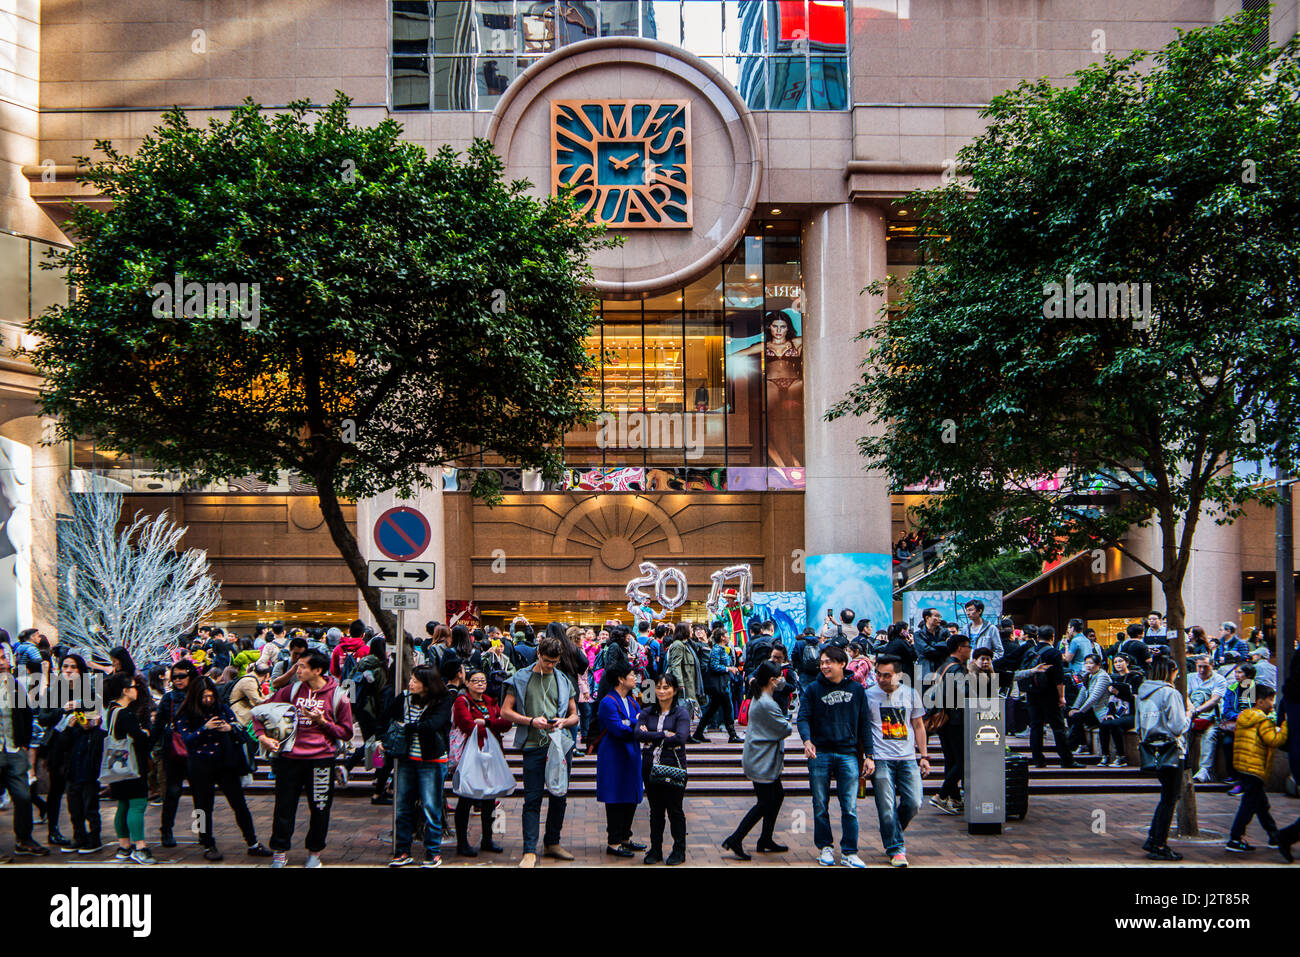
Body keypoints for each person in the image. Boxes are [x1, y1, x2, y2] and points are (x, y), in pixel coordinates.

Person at [253, 650, 354, 868]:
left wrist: (323, 722)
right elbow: (260, 711)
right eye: (297, 666)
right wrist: (263, 737)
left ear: (317, 670)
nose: (297, 671)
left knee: (320, 807)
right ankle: (279, 852)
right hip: (289, 759)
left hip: (321, 761)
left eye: (302, 667)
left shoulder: (338, 696)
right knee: (284, 806)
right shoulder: (292, 691)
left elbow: (346, 733)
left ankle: (314, 854)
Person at [499, 635, 579, 868]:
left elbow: (575, 715)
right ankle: (529, 849)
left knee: (559, 795)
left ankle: (552, 841)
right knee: (532, 798)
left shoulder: (564, 680)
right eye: (546, 661)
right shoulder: (520, 678)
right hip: (533, 745)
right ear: (538, 655)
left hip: (559, 744)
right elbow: (505, 711)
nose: (550, 666)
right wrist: (531, 721)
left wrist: (564, 722)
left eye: (554, 662)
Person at [175, 676, 270, 860]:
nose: (208, 701)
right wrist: (205, 728)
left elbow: (239, 728)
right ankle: (206, 843)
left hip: (225, 763)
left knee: (239, 804)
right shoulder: (186, 712)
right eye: (204, 697)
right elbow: (187, 740)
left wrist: (228, 728)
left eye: (211, 696)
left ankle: (252, 842)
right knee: (202, 807)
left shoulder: (222, 708)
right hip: (200, 765)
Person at [797, 645, 873, 868]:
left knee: (849, 806)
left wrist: (869, 755)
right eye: (822, 662)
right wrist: (807, 740)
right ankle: (825, 848)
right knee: (820, 804)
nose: (824, 666)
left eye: (829, 661)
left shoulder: (857, 691)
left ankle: (850, 851)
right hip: (820, 753)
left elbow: (864, 725)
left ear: (842, 663)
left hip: (848, 753)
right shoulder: (813, 689)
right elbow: (803, 717)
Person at [383, 664, 453, 868]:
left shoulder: (443, 700)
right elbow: (389, 719)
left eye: (415, 680)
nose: (410, 683)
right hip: (406, 758)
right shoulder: (403, 698)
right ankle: (402, 851)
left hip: (431, 760)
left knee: (431, 806)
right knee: (403, 806)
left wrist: (408, 727)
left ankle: (433, 853)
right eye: (411, 679)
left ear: (427, 685)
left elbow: (433, 725)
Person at [723, 661, 793, 860]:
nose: (782, 680)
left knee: (777, 796)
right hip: (761, 759)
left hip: (763, 757)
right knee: (765, 802)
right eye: (779, 677)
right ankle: (735, 838)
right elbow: (785, 728)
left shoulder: (761, 696)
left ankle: (765, 839)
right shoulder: (766, 703)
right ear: (772, 680)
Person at [867, 654, 929, 867]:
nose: (882, 679)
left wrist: (924, 756)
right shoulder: (868, 695)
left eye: (887, 675)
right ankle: (896, 848)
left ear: (899, 675)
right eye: (878, 674)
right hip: (881, 758)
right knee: (886, 806)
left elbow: (919, 726)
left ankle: (891, 830)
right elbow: (864, 730)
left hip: (907, 758)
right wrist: (867, 757)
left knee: (914, 802)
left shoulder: (910, 694)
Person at [450, 667, 510, 856]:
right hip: (471, 755)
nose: (480, 684)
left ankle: (487, 839)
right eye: (475, 680)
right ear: (467, 683)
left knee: (489, 798)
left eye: (482, 681)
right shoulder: (462, 701)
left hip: (490, 755)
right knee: (467, 798)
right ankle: (462, 843)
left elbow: (506, 723)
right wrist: (491, 726)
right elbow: (468, 725)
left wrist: (488, 723)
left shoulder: (491, 702)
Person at [1137, 655, 1190, 861]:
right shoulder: (1170, 692)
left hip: (1152, 749)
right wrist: (1189, 716)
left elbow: (1139, 724)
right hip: (1171, 749)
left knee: (1166, 797)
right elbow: (1178, 726)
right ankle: (1159, 843)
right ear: (1170, 671)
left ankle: (1154, 838)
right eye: (1176, 672)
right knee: (1170, 798)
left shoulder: (1143, 692)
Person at [634, 674, 691, 865]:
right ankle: (655, 849)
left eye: (666, 687)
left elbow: (681, 737)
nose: (661, 691)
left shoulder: (681, 713)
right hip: (650, 766)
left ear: (674, 690)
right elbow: (637, 734)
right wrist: (664, 734)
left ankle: (679, 850)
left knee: (675, 810)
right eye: (658, 687)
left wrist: (650, 736)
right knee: (656, 810)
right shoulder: (647, 711)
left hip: (673, 766)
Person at [1225, 683, 1287, 853]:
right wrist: (1285, 726)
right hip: (1255, 767)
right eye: (1270, 700)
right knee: (1249, 804)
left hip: (1243, 766)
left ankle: (1274, 836)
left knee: (1261, 804)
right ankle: (1235, 838)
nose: (1272, 703)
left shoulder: (1245, 716)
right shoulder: (1262, 720)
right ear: (1260, 701)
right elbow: (1274, 740)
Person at [101, 673, 156, 864]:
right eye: (133, 687)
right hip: (132, 766)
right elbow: (140, 739)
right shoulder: (125, 713)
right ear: (125, 691)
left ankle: (124, 846)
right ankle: (140, 847)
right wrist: (146, 732)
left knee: (123, 805)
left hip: (117, 765)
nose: (136, 690)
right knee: (137, 804)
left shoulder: (111, 710)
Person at [0, 647, 47, 857]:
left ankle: (24, 839)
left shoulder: (13, 685)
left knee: (23, 796)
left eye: (3, 658)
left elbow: (26, 716)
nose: (2, 662)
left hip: (14, 750)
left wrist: (24, 745)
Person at [595, 662, 645, 857]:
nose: (635, 678)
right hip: (614, 755)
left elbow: (639, 721)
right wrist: (634, 724)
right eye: (632, 675)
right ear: (620, 679)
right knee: (615, 795)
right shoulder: (608, 702)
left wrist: (630, 723)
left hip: (631, 752)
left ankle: (625, 836)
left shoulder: (631, 700)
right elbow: (617, 728)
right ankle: (614, 842)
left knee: (631, 794)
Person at [152, 659, 197, 847]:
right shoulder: (169, 698)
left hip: (197, 752)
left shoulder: (200, 695)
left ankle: (203, 831)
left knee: (200, 795)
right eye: (175, 677)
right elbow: (158, 725)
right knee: (172, 793)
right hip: (174, 753)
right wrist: (149, 745)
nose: (177, 680)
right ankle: (166, 830)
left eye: (182, 676)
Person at [928, 634, 971, 815]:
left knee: (951, 759)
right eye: (968, 646)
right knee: (963, 761)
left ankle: (954, 798)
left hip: (943, 719)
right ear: (960, 648)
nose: (970, 650)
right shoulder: (957, 669)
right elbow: (964, 693)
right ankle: (942, 795)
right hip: (955, 719)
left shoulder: (944, 666)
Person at [1025, 626, 1076, 769]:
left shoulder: (1030, 651)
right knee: (1058, 727)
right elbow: (1059, 678)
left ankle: (1038, 760)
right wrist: (1061, 697)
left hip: (1032, 693)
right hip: (1050, 694)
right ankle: (1067, 759)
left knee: (1036, 726)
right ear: (1052, 636)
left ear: (1038, 636)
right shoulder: (1054, 653)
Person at [692, 628, 741, 744]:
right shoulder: (717, 649)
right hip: (719, 685)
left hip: (722, 684)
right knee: (727, 708)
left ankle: (698, 733)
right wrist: (728, 668)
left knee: (712, 709)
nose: (728, 636)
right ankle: (732, 735)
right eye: (726, 635)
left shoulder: (722, 649)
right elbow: (714, 666)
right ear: (722, 637)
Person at [1187, 653, 1228, 783]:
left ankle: (1204, 770)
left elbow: (1215, 699)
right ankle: (1182, 766)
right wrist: (1192, 709)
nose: (1202, 670)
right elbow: (1185, 695)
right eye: (1200, 667)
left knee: (1210, 735)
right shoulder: (1190, 677)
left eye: (1206, 667)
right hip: (1192, 716)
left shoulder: (1219, 679)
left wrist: (1198, 710)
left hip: (1211, 717)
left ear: (1212, 666)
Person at [1099, 654, 1141, 766]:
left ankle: (1121, 756)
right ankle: (1105, 755)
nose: (1118, 664)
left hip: (1133, 713)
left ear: (1127, 662)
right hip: (1117, 712)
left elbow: (1135, 699)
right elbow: (1112, 700)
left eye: (1120, 661)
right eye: (1116, 662)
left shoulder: (1135, 677)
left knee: (1114, 724)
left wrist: (1119, 693)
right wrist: (1110, 713)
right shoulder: (1114, 678)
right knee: (1104, 724)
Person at [1067, 654, 1111, 757]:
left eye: (1091, 663)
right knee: (1069, 713)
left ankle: (1081, 745)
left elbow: (1094, 697)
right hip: (1092, 710)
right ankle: (1079, 744)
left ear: (1098, 664)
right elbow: (1082, 693)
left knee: (1077, 716)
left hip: (1100, 711)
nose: (1088, 666)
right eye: (1086, 663)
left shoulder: (1103, 676)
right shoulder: (1088, 676)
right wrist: (1075, 708)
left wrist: (1081, 711)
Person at [664, 622, 703, 716]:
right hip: (685, 682)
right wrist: (680, 683)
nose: (692, 631)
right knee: (685, 706)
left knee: (688, 706)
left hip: (689, 680)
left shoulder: (687, 644)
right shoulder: (678, 645)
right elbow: (675, 665)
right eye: (690, 629)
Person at [228, 661, 268, 728]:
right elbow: (257, 701)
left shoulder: (251, 678)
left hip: (241, 710)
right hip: (240, 714)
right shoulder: (249, 681)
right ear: (267, 675)